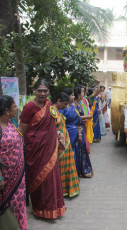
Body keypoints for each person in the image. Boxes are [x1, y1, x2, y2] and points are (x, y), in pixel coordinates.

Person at [19, 79, 65, 219]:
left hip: (50, 149)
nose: (43, 94)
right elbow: (22, 128)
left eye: (45, 91)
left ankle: (53, 208)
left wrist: (57, 134)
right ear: (34, 91)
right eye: (40, 91)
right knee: (38, 179)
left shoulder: (49, 105)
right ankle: (40, 209)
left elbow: (52, 124)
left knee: (51, 178)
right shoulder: (29, 107)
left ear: (49, 92)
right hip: (35, 150)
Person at [0, 95, 27, 229]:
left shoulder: (12, 123)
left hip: (19, 177)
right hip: (5, 179)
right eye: (15, 107)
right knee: (6, 208)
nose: (17, 109)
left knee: (18, 204)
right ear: (6, 110)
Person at [52, 92, 80, 197]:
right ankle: (62, 190)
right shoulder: (52, 112)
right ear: (58, 101)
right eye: (64, 104)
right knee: (61, 168)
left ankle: (69, 190)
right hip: (60, 145)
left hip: (66, 143)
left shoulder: (58, 111)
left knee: (68, 167)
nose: (65, 106)